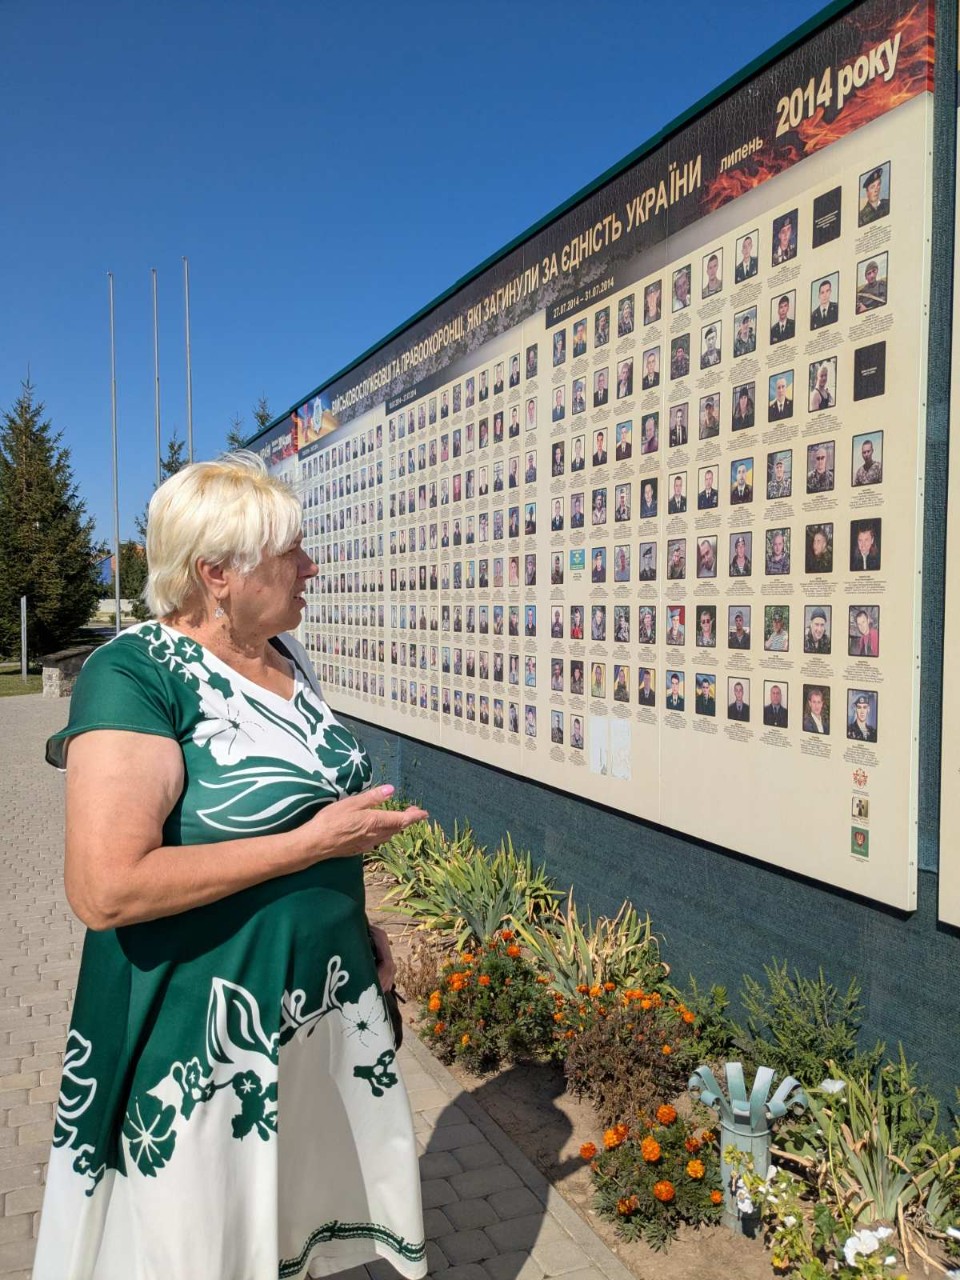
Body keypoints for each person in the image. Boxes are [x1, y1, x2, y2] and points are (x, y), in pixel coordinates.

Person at [35, 453, 428, 1280]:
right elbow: (106, 888)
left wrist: (352, 920)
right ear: (216, 573)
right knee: (201, 1239)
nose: (311, 567)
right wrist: (313, 847)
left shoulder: (287, 656)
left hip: (313, 1005)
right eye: (291, 553)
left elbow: (303, 814)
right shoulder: (134, 675)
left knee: (284, 1220)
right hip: (201, 1032)